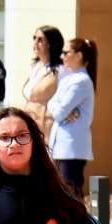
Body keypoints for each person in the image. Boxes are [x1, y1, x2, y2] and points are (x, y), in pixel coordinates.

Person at [46, 37, 96, 193]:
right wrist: (60, 109)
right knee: (62, 191)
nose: (62, 56)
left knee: (71, 191)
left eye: (66, 53)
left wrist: (60, 110)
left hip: (72, 147)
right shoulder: (68, 79)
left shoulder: (81, 81)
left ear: (79, 56)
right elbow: (51, 104)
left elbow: (59, 112)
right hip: (61, 146)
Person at [19, 25, 65, 132]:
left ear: (51, 44)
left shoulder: (60, 70)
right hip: (29, 123)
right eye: (34, 38)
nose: (35, 43)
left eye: (40, 40)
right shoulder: (33, 67)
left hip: (47, 125)